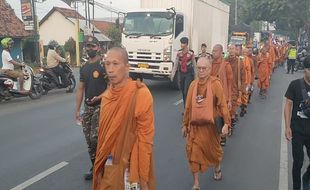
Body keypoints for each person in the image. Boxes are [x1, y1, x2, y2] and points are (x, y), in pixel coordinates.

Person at [93, 47, 155, 190]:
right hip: (108, 164)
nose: (110, 69)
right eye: (107, 64)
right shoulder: (107, 96)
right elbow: (104, 137)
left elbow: (145, 140)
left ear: (127, 67)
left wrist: (143, 179)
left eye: (115, 64)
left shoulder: (141, 95)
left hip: (131, 166)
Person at [182, 57, 230, 190]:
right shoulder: (193, 85)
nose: (201, 71)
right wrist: (184, 125)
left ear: (210, 69)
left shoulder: (215, 84)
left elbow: (223, 105)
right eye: (199, 68)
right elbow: (188, 107)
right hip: (195, 128)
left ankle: (217, 167)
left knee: (214, 152)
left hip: (211, 127)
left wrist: (226, 123)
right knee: (193, 154)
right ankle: (196, 183)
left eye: (204, 68)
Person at [75, 36, 108, 180]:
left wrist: (99, 97)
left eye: (92, 46)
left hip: (101, 106)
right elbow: (80, 89)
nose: (90, 49)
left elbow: (111, 87)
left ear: (98, 47)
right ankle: (95, 167)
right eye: (87, 46)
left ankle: (104, 165)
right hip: (87, 108)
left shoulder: (104, 65)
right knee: (89, 140)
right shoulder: (84, 67)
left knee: (95, 138)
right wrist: (77, 110)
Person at [284, 55, 310, 190]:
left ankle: (306, 178)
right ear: (305, 70)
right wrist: (287, 126)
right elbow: (288, 104)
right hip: (298, 131)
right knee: (298, 163)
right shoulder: (295, 85)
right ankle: (296, 187)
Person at [211, 44, 233, 142]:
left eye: (215, 51)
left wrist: (229, 100)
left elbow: (229, 84)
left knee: (223, 116)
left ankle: (223, 135)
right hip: (212, 97)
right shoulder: (210, 64)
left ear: (220, 52)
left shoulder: (226, 65)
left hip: (223, 96)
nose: (213, 53)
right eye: (212, 51)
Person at [171, 37, 197, 108]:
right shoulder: (179, 53)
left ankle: (188, 107)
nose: (181, 45)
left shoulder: (191, 53)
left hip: (188, 74)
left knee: (186, 91)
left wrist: (196, 77)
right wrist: (172, 75)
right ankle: (185, 107)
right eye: (181, 43)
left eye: (183, 43)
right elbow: (176, 64)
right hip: (181, 74)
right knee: (182, 91)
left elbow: (194, 66)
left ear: (186, 44)